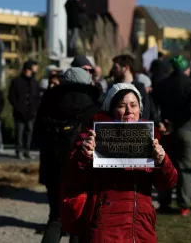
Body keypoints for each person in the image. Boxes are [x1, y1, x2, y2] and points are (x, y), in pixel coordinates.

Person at [61, 83, 177, 242]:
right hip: (107, 227)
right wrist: (84, 156)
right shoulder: (92, 137)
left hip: (142, 226)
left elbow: (167, 184)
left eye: (134, 105)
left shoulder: (149, 139)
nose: (129, 110)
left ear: (140, 109)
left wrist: (162, 161)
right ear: (111, 109)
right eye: (122, 105)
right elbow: (71, 179)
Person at [33, 67, 101, 243]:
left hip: (52, 165)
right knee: (79, 219)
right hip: (80, 167)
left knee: (56, 217)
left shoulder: (49, 99)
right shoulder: (93, 103)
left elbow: (37, 134)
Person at [153, 55, 191, 216]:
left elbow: (152, 104)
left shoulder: (162, 84)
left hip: (166, 131)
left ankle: (164, 202)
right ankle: (184, 205)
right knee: (185, 168)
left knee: (165, 166)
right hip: (185, 129)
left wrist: (161, 122)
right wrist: (177, 124)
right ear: (186, 69)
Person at [8, 61, 41, 159]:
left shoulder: (34, 82)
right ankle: (19, 151)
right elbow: (11, 96)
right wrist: (18, 107)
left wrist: (34, 109)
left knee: (29, 132)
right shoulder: (16, 81)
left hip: (31, 113)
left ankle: (27, 151)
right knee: (19, 132)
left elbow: (37, 97)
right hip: (19, 113)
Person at [110, 55, 151, 119]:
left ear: (126, 68)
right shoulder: (113, 88)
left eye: (116, 67)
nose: (113, 70)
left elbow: (145, 113)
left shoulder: (139, 87)